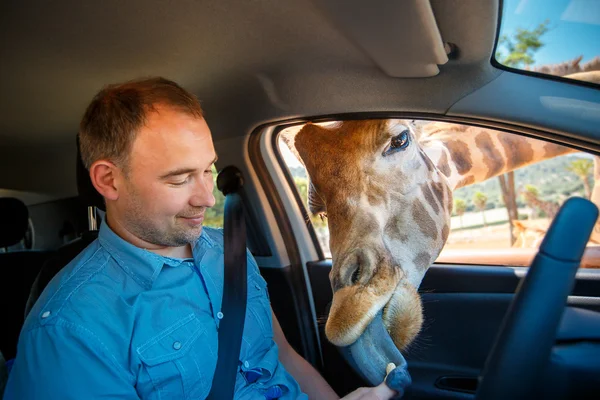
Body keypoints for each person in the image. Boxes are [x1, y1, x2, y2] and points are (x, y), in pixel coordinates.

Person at [4, 77, 399, 400]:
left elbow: (282, 356)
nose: (207, 198)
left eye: (208, 170)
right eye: (178, 178)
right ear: (109, 180)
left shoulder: (228, 252)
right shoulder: (69, 332)